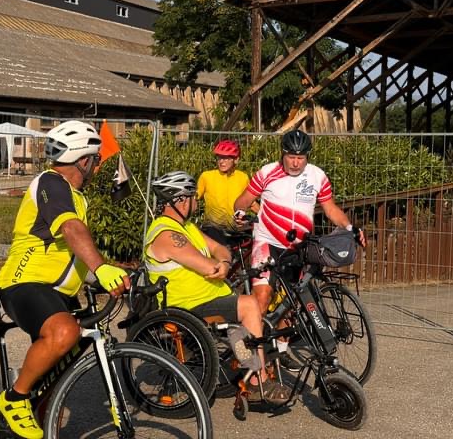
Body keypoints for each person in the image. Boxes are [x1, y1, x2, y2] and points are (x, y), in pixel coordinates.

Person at [0, 120, 130, 439]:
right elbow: (72, 231)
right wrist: (100, 267)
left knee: (65, 359)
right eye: (96, 160)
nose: (97, 167)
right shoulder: (51, 183)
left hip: (58, 292)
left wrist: (109, 273)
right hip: (25, 283)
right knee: (65, 332)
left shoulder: (75, 196)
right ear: (84, 160)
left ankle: (39, 416)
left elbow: (71, 251)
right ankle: (14, 399)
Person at [144, 171, 292, 404]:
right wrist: (218, 265)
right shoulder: (166, 234)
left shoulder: (187, 228)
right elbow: (207, 267)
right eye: (193, 197)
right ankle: (257, 382)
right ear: (180, 200)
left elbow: (221, 249)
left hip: (207, 299)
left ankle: (249, 362)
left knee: (245, 312)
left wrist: (222, 261)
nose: (196, 201)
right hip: (187, 307)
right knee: (250, 305)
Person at [234, 129, 366, 369]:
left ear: (307, 156)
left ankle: (280, 352)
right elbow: (242, 200)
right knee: (261, 301)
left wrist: (350, 227)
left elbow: (330, 208)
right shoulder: (266, 173)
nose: (295, 162)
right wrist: (239, 213)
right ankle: (246, 355)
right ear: (282, 154)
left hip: (298, 248)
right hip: (267, 244)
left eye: (301, 157)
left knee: (290, 305)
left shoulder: (317, 176)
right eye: (291, 157)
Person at [197, 139, 257, 245]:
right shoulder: (206, 176)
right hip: (213, 227)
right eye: (219, 157)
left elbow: (250, 202)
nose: (221, 161)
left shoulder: (243, 177)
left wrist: (265, 215)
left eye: (226, 158)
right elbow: (193, 198)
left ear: (236, 160)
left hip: (237, 227)